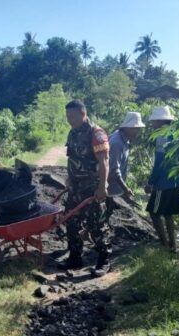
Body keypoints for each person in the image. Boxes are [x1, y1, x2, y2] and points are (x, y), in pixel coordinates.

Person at [61, 100, 111, 274]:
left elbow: (104, 162)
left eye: (72, 116)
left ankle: (104, 261)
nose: (69, 120)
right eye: (67, 116)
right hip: (75, 187)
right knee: (71, 222)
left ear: (83, 113)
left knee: (96, 225)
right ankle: (75, 258)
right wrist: (69, 178)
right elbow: (72, 159)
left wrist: (102, 187)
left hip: (92, 188)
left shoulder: (96, 134)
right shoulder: (72, 133)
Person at [101, 112, 145, 274]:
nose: (137, 132)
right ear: (127, 128)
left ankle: (90, 233)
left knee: (107, 211)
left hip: (114, 187)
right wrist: (126, 188)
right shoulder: (117, 143)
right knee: (104, 211)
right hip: (109, 186)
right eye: (135, 129)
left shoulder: (124, 140)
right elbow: (114, 170)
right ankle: (94, 237)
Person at [144, 106, 179, 253]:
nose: (152, 124)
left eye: (154, 121)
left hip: (163, 183)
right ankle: (173, 245)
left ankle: (164, 245)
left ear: (161, 121)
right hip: (176, 180)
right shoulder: (177, 134)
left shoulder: (162, 136)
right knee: (168, 213)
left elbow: (160, 161)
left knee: (154, 213)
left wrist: (151, 181)